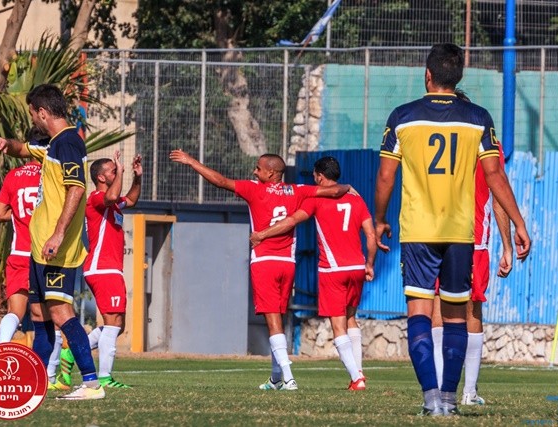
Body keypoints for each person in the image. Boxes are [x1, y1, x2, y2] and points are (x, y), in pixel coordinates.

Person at [374, 43, 531, 416]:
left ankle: (431, 399)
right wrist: (520, 222)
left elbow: (385, 176)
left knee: (419, 314)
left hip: (418, 231)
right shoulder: (477, 117)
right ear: (458, 77)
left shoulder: (403, 117)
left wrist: (379, 219)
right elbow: (495, 175)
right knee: (458, 317)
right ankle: (449, 399)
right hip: (460, 232)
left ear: (427, 74)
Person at [169, 150, 353, 391]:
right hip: (287, 264)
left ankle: (289, 378)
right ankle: (276, 377)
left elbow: (220, 181)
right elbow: (335, 191)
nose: (254, 172)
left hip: (265, 262)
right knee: (279, 320)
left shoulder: (254, 189)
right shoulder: (297, 190)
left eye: (258, 168)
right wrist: (348, 187)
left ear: (272, 173)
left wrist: (192, 161)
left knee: (273, 322)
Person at [0, 83, 104, 400]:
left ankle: (92, 384)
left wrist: (58, 233)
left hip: (57, 250)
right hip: (39, 250)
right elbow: (22, 149)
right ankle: (37, 383)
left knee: (61, 314)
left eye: (32, 114)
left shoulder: (68, 143)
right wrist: (6, 143)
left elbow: (76, 188)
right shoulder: (53, 144)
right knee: (40, 317)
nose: (32, 120)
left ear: (42, 112)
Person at [249, 156, 377, 391]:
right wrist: (369, 263)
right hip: (357, 268)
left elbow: (291, 221)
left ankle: (357, 378)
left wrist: (263, 234)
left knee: (338, 325)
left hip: (332, 269)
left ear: (319, 176)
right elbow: (370, 235)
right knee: (351, 318)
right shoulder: (357, 200)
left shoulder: (316, 200)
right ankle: (357, 373)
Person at [431, 90, 514, 406]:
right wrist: (507, 245)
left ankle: (439, 392)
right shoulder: (487, 143)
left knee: (438, 306)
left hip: (434, 234)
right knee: (471, 310)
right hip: (474, 238)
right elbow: (499, 195)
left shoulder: (431, 140)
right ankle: (468, 392)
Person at [59, 151, 142, 389]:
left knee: (117, 325)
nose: (117, 172)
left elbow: (131, 200)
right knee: (113, 323)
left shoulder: (112, 203)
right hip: (102, 268)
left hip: (110, 269)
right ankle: (104, 377)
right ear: (101, 177)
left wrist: (137, 176)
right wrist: (121, 171)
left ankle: (71, 353)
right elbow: (112, 195)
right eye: (112, 171)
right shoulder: (96, 198)